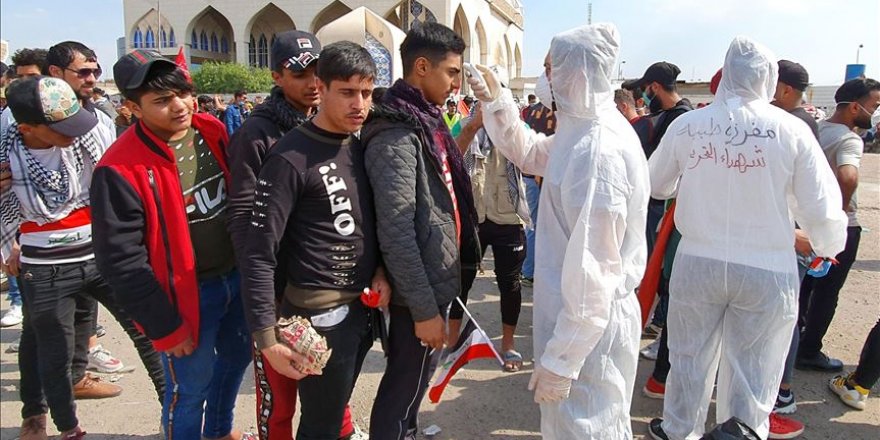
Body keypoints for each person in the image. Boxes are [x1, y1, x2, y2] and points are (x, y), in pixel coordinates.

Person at [645, 37, 848, 440]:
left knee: (689, 355)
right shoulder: (791, 130)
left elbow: (656, 183)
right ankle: (740, 431)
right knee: (755, 366)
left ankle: (678, 429)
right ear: (770, 80)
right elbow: (822, 207)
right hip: (766, 266)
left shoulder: (690, 125)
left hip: (698, 261)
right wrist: (828, 245)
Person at [469, 23, 649, 438]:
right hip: (577, 319)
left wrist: (563, 359)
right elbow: (531, 152)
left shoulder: (598, 150)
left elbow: (596, 271)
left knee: (588, 428)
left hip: (588, 329)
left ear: (578, 74)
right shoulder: (580, 131)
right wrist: (498, 102)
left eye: (551, 69)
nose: (545, 79)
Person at [90, 49, 253, 440]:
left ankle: (220, 430)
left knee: (234, 363)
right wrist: (165, 326)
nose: (179, 106)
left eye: (182, 93)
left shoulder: (211, 130)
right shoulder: (118, 168)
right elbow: (121, 261)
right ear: (132, 107)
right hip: (188, 297)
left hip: (235, 279)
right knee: (189, 388)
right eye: (161, 101)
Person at [242, 41, 388, 440]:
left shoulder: (358, 144)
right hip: (318, 319)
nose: (359, 104)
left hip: (361, 311)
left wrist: (379, 270)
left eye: (366, 92)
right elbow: (258, 253)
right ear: (320, 88)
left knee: (331, 414)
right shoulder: (290, 157)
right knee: (320, 426)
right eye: (346, 92)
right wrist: (266, 336)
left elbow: (365, 224)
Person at [361, 22, 478, 439]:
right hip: (417, 292)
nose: (456, 83)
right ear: (422, 67)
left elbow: (442, 186)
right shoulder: (395, 132)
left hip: (434, 281)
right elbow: (396, 231)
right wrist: (425, 310)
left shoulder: (425, 121)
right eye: (451, 72)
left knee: (412, 386)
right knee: (403, 387)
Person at [0, 76, 121, 440]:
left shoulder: (88, 132)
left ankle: (173, 410)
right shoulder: (9, 151)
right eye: (82, 71)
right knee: (46, 341)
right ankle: (39, 416)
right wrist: (10, 247)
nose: (90, 78)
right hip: (41, 262)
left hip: (95, 251)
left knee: (101, 326)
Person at [798, 78, 880, 372]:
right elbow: (848, 176)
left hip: (807, 220)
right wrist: (840, 215)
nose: (875, 113)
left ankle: (794, 341)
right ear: (855, 107)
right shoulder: (849, 139)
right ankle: (809, 350)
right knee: (827, 291)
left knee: (804, 286)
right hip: (840, 225)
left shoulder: (815, 129)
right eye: (874, 106)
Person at [453, 65, 530, 373]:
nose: (487, 97)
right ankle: (450, 344)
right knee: (460, 280)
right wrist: (472, 127)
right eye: (482, 91)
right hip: (473, 215)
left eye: (492, 89)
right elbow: (448, 159)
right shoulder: (463, 123)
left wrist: (504, 126)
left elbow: (529, 158)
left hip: (508, 217)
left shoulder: (515, 127)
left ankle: (508, 344)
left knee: (509, 283)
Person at [520, 86, 556, 287]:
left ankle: (529, 271)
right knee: (542, 227)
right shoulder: (556, 112)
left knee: (533, 225)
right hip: (543, 176)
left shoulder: (533, 111)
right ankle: (532, 271)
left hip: (532, 175)